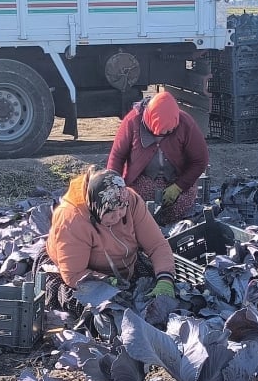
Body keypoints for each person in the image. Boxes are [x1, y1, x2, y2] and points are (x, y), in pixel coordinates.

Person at [42, 167, 176, 307]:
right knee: (98, 308)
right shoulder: (72, 219)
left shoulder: (131, 200)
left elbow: (157, 245)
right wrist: (107, 281)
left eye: (122, 208)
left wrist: (165, 280)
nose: (118, 216)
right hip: (75, 275)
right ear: (95, 208)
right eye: (110, 212)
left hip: (124, 266)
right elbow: (73, 274)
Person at [106, 91, 209, 225]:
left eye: (168, 132)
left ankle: (166, 226)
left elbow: (200, 160)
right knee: (135, 204)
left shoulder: (186, 123)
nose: (162, 136)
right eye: (158, 133)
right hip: (142, 180)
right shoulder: (132, 121)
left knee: (181, 204)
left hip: (176, 180)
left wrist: (179, 187)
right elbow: (117, 156)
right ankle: (144, 224)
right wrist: (115, 188)